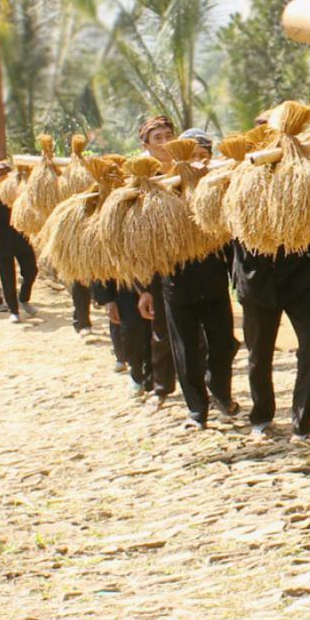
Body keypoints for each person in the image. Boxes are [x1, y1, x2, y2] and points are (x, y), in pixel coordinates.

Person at [148, 129, 239, 430]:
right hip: (177, 286)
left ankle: (221, 393)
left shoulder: (217, 190)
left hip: (213, 283)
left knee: (224, 345)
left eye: (203, 156)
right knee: (186, 351)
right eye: (192, 157)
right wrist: (145, 291)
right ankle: (196, 410)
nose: (199, 163)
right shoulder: (162, 191)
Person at [233, 243, 310, 442]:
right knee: (259, 354)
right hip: (255, 280)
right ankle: (261, 419)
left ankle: (302, 423)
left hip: (299, 277)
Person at [132, 115, 178, 412]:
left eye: (167, 135)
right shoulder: (139, 178)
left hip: (192, 258)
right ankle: (160, 388)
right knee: (161, 330)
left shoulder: (189, 165)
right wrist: (143, 287)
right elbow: (134, 236)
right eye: (157, 137)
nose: (164, 142)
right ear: (145, 144)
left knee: (198, 333)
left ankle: (206, 389)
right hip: (157, 263)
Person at [0, 161, 39, 324]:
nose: (3, 179)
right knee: (7, 278)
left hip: (21, 239)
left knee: (31, 270)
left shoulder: (18, 196)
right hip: (1, 244)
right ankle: (14, 310)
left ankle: (24, 298)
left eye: (6, 175)